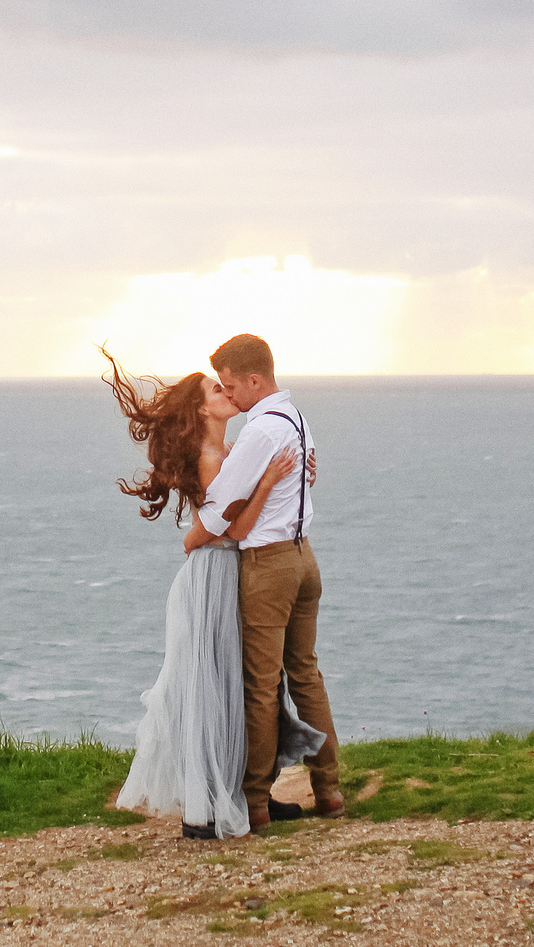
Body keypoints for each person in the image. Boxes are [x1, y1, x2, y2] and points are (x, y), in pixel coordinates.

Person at [104, 357, 317, 838]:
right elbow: (228, 529)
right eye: (216, 393)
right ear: (202, 412)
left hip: (227, 569)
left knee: (236, 686)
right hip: (214, 572)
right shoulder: (211, 458)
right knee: (213, 686)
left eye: (226, 388)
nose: (227, 394)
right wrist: (267, 483)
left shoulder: (232, 449)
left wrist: (297, 477)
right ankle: (210, 804)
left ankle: (240, 792)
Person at [196, 332, 342, 830]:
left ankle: (255, 801)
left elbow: (220, 510)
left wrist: (193, 537)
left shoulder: (260, 431)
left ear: (254, 380)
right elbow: (305, 477)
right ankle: (330, 791)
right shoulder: (296, 418)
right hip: (305, 558)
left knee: (261, 686)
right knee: (307, 675)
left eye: (231, 385)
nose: (229, 394)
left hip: (269, 565)